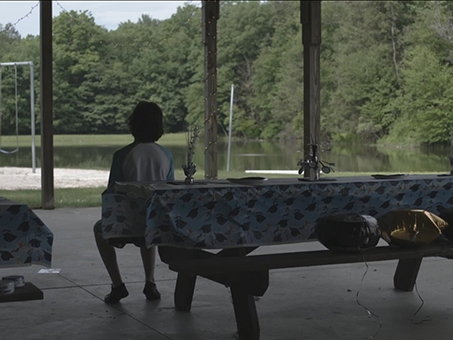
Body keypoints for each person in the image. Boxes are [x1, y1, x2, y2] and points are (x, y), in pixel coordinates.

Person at [94, 101, 174, 304]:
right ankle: (150, 281)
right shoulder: (166, 155)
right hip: (156, 223)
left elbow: (113, 193)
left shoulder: (122, 155)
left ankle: (118, 284)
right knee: (148, 221)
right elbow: (169, 190)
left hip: (129, 223)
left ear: (133, 125)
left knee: (99, 230)